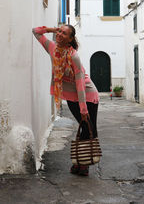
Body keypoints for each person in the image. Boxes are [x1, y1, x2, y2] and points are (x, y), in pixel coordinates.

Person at [32, 25, 99, 176]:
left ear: (70, 39)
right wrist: (52, 29)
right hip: (71, 97)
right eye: (59, 32)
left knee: (89, 129)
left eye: (64, 33)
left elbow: (80, 82)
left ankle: (82, 165)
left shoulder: (73, 56)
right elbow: (36, 31)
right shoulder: (52, 48)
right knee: (85, 128)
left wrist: (83, 108)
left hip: (87, 95)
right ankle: (79, 163)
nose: (60, 35)